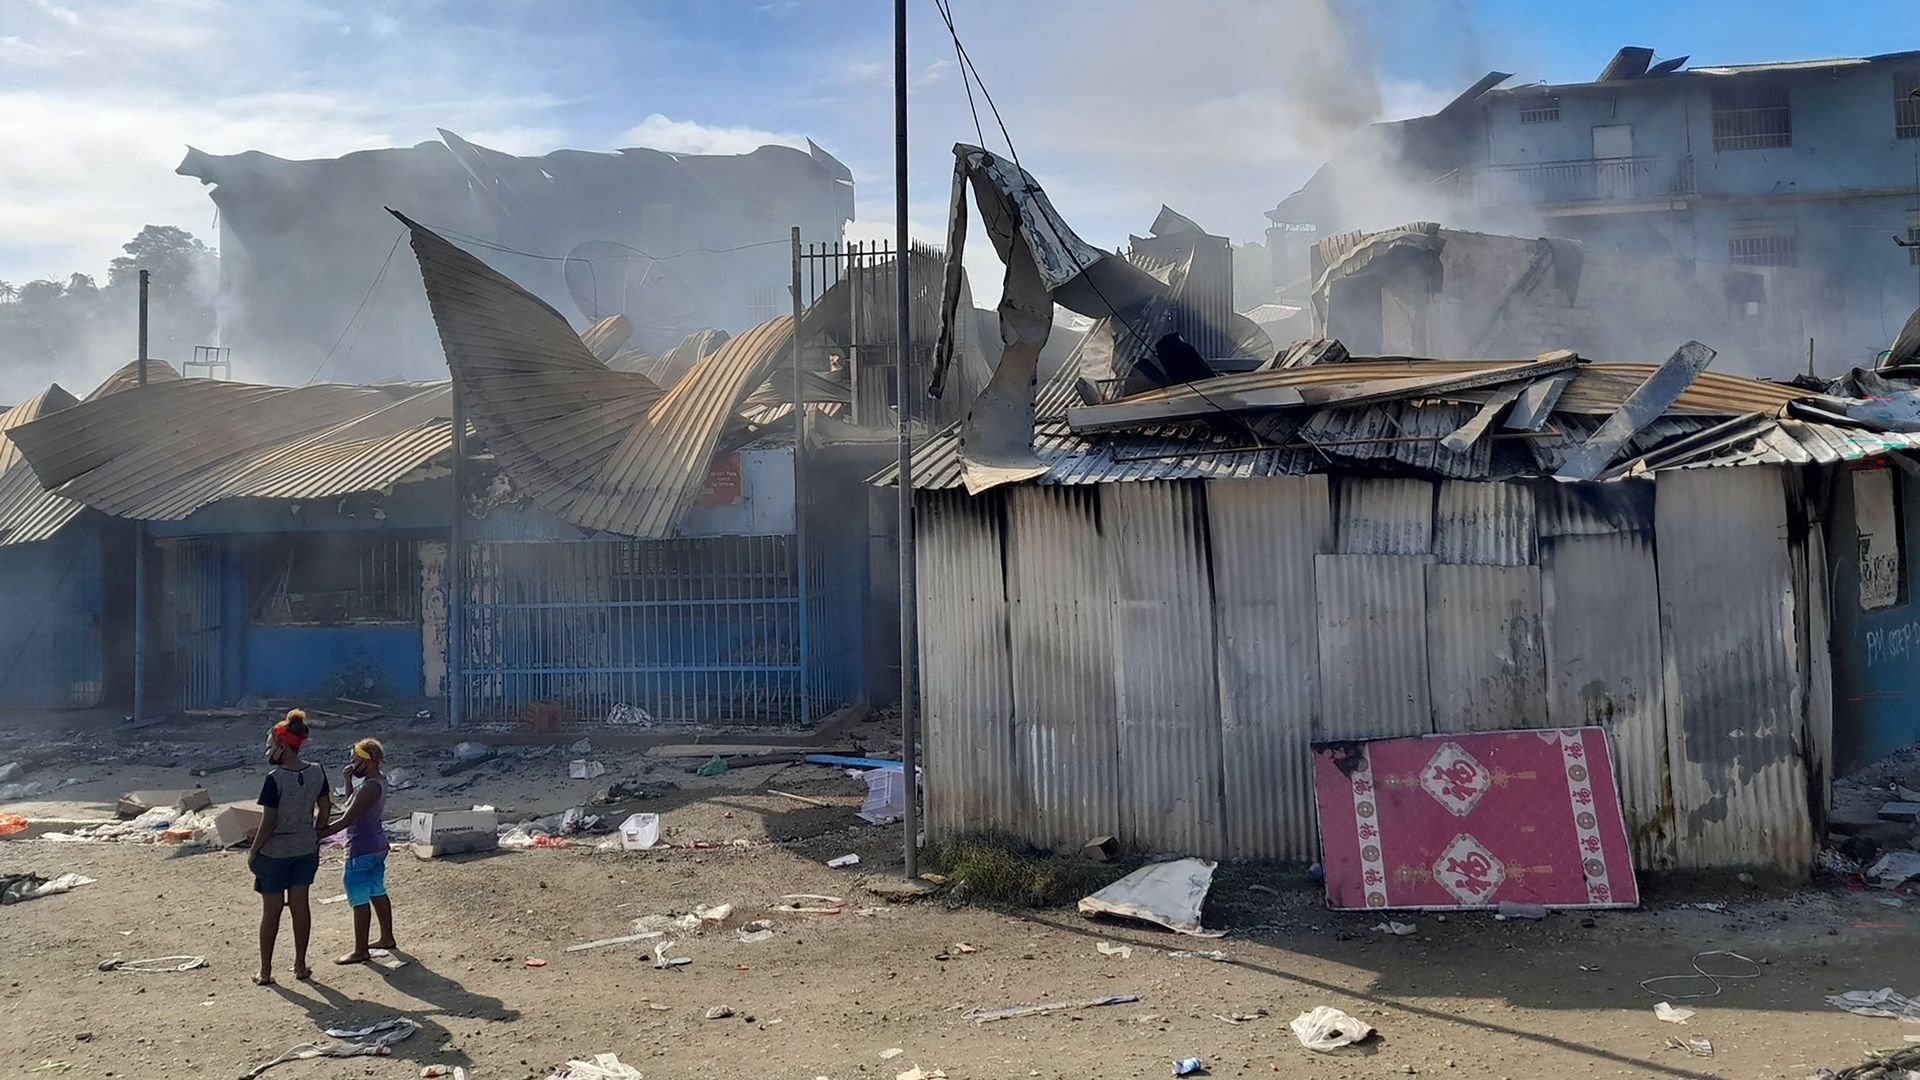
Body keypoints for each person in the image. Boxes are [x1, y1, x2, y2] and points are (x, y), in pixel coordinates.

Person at [247, 709, 330, 985]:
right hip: (305, 849)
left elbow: (269, 821)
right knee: (300, 906)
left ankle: (266, 970)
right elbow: (325, 806)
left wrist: (253, 849)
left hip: (275, 853)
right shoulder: (317, 771)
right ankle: (300, 964)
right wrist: (317, 832)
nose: (268, 751)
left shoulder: (274, 778)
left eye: (271, 745)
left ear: (282, 746)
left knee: (271, 912)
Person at [321, 737, 397, 964]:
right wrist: (348, 780)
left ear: (368, 761)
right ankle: (386, 937)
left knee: (359, 898)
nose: (352, 765)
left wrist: (317, 835)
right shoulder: (377, 782)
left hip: (360, 848)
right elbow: (351, 803)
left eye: (355, 761)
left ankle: (360, 950)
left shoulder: (369, 787)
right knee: (377, 891)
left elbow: (347, 817)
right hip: (376, 845)